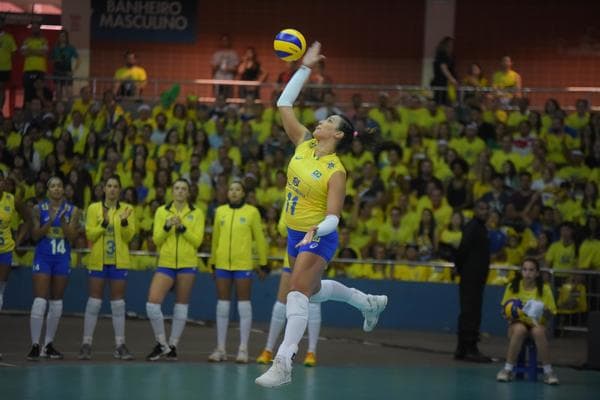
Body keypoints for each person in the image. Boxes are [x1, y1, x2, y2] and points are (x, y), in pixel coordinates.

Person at [255, 42, 388, 388]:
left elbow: (334, 217)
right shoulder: (303, 143)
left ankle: (284, 361)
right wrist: (305, 67)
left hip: (319, 235)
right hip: (293, 233)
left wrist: (318, 229)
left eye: (328, 120)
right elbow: (284, 102)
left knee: (295, 294)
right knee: (311, 293)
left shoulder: (336, 171)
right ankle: (367, 302)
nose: (320, 121)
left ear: (338, 134)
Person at [208, 180, 268, 363]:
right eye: (231, 189)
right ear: (228, 193)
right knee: (223, 306)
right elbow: (215, 239)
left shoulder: (252, 212)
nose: (234, 192)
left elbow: (259, 238)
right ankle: (220, 349)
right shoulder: (220, 212)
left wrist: (263, 263)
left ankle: (243, 349)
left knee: (244, 306)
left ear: (243, 193)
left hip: (243, 265)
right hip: (222, 265)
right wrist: (212, 262)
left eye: (238, 189)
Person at [145, 179, 205, 361]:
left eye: (183, 189)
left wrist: (182, 227)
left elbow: (197, 241)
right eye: (177, 188)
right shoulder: (162, 211)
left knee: (181, 305)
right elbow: (156, 240)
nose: (180, 191)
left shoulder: (197, 213)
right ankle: (162, 344)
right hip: (166, 262)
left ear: (188, 193)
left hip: (187, 263)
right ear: (172, 192)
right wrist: (167, 226)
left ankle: (173, 346)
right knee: (152, 304)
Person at [79, 175, 136, 360]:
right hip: (98, 261)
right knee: (94, 302)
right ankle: (86, 343)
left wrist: (125, 222)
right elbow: (90, 234)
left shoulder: (128, 209)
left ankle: (120, 345)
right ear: (103, 189)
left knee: (118, 304)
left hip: (119, 262)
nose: (112, 189)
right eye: (109, 186)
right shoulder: (94, 208)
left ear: (119, 190)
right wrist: (103, 223)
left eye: (115, 186)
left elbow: (129, 237)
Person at [256, 211, 322, 367]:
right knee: (281, 302)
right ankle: (268, 349)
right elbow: (281, 228)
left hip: (314, 253)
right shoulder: (292, 195)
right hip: (292, 255)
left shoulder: (320, 197)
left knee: (312, 301)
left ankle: (311, 352)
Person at [27, 177, 80, 360]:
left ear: (63, 190)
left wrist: (63, 222)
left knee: (57, 301)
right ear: (48, 190)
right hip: (43, 256)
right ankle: (35, 344)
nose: (57, 189)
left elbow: (73, 237)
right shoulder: (37, 209)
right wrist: (50, 220)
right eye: (53, 186)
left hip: (62, 258)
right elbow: (34, 235)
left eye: (60, 186)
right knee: (40, 300)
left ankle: (48, 344)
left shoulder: (73, 210)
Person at [496, 258, 559, 385]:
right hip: (516, 325)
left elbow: (550, 315)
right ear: (521, 272)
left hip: (537, 324)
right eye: (524, 270)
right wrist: (511, 314)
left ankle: (548, 372)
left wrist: (545, 310)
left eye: (531, 270)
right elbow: (504, 312)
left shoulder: (545, 289)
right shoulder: (512, 287)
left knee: (538, 332)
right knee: (520, 329)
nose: (528, 273)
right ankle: (507, 370)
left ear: (537, 273)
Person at [453, 200, 492, 363]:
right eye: (482, 209)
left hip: (474, 276)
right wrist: (461, 268)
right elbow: (463, 249)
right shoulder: (473, 227)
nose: (485, 212)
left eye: (487, 209)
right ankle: (470, 348)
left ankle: (461, 348)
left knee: (468, 311)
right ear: (475, 210)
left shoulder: (479, 228)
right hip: (471, 277)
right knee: (472, 312)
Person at [20, 21, 48, 104]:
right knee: (28, 93)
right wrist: (38, 51)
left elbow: (44, 53)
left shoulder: (44, 41)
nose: (35, 29)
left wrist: (30, 50)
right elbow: (23, 53)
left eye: (36, 27)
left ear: (39, 29)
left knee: (39, 93)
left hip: (40, 70)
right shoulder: (26, 40)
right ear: (31, 29)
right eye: (33, 27)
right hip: (28, 70)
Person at [51, 29, 79, 100]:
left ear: (66, 38)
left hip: (67, 72)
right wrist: (57, 60)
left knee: (69, 92)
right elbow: (51, 59)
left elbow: (78, 59)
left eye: (63, 36)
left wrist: (73, 71)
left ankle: (70, 108)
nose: (62, 38)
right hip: (57, 72)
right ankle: (58, 107)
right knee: (58, 92)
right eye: (60, 36)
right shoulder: (55, 48)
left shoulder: (70, 48)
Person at [431, 36, 458, 106]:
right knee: (441, 101)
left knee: (449, 101)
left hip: (446, 83)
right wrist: (452, 79)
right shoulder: (441, 54)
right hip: (442, 82)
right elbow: (443, 67)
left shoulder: (449, 55)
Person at [211, 34, 239, 98]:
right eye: (223, 40)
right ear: (221, 42)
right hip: (219, 76)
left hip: (229, 77)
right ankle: (218, 107)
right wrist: (218, 64)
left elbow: (236, 69)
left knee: (228, 95)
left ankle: (228, 107)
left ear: (229, 41)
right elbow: (213, 68)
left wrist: (228, 69)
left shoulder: (233, 53)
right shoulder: (217, 54)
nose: (225, 42)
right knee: (218, 94)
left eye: (226, 40)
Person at [0, 15, 17, 113]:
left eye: (1, 21)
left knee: (2, 89)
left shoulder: (9, 37)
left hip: (5, 68)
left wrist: (6, 60)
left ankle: (1, 109)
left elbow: (14, 51)